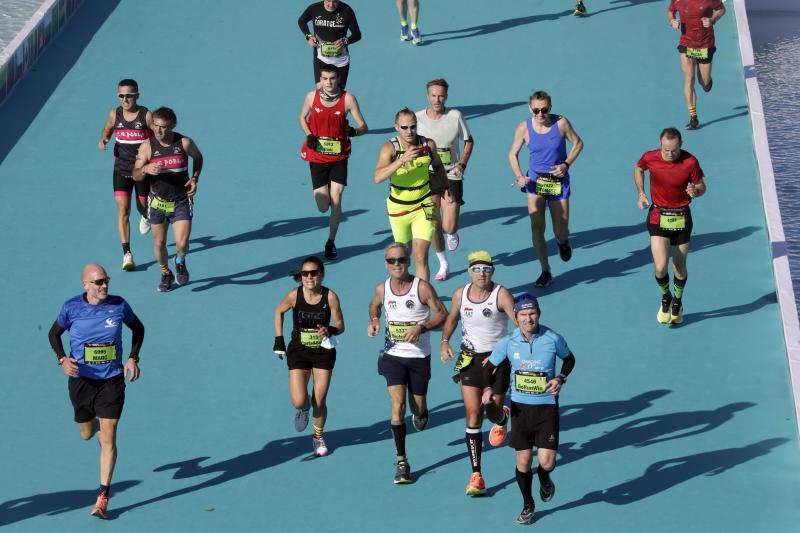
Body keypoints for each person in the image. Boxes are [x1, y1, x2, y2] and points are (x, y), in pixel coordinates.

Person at [47, 263, 144, 519]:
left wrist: (133, 358)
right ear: (85, 285)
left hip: (112, 381)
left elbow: (139, 328)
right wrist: (62, 360)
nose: (104, 285)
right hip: (82, 382)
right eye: (99, 282)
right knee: (88, 434)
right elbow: (54, 334)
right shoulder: (71, 308)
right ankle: (96, 425)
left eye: (106, 280)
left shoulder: (119, 305)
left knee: (110, 435)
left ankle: (102, 497)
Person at [481, 294, 576, 525]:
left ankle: (544, 479)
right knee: (523, 462)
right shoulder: (508, 342)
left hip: (546, 409)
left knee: (547, 463)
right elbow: (489, 367)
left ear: (538, 314)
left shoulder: (552, 338)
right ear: (516, 316)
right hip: (520, 410)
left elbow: (570, 359)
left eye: (532, 313)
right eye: (523, 314)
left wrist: (561, 378)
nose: (528, 318)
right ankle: (528, 505)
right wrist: (487, 389)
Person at [367, 242, 447, 483]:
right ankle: (402, 461)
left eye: (401, 260)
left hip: (419, 358)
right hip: (393, 356)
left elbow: (443, 315)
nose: (397, 264)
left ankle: (422, 412)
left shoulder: (422, 288)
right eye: (391, 261)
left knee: (417, 407)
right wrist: (374, 319)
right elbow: (374, 304)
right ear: (385, 263)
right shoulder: (382, 288)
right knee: (397, 406)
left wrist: (421, 327)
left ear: (408, 262)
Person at [440, 251, 516, 496]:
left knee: (491, 410)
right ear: (469, 271)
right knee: (473, 414)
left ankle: (501, 417)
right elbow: (452, 318)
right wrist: (444, 342)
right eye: (477, 269)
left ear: (492, 271)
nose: (482, 273)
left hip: (497, 360)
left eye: (486, 269)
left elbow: (518, 323)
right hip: (469, 359)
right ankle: (476, 475)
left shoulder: (501, 294)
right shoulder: (460, 294)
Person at [508, 90, 584, 288]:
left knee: (561, 227)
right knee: (537, 227)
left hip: (558, 182)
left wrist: (566, 165)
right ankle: (545, 270)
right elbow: (512, 154)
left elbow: (578, 143)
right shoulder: (524, 128)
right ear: (529, 108)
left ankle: (562, 241)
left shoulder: (561, 123)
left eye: (544, 110)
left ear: (550, 107)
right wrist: (519, 177)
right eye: (536, 110)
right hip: (535, 183)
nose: (540, 114)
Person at [274, 256, 345, 457]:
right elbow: (278, 311)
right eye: (305, 273)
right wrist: (278, 340)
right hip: (299, 350)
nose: (309, 277)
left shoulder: (330, 296)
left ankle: (318, 437)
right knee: (299, 401)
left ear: (321, 274)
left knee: (319, 400)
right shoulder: (294, 296)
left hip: (323, 352)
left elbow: (341, 325)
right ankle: (303, 410)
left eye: (313, 273)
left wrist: (330, 329)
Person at [634, 127, 707, 324]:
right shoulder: (650, 157)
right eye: (666, 150)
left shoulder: (690, 162)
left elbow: (702, 187)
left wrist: (695, 191)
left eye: (673, 150)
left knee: (679, 267)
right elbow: (639, 168)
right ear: (661, 145)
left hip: (682, 218)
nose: (669, 154)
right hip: (658, 216)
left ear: (680, 146)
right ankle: (666, 297)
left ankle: (678, 302)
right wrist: (641, 192)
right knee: (660, 267)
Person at [300, 64, 368, 260]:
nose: (328, 82)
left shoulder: (348, 99)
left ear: (338, 78)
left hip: (339, 156)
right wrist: (309, 135)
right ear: (320, 80)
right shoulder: (311, 97)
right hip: (317, 157)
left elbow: (364, 126)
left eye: (332, 78)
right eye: (325, 79)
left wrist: (354, 131)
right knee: (323, 206)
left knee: (336, 200)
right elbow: (301, 117)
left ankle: (331, 241)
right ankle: (328, 203)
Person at [133, 107, 203, 292]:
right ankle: (166, 273)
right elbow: (135, 174)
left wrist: (195, 178)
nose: (158, 130)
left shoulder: (184, 143)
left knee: (182, 244)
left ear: (172, 126)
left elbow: (198, 157)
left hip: (181, 200)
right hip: (157, 202)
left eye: (163, 127)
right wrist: (145, 170)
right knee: (159, 243)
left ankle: (179, 261)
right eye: (155, 126)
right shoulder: (147, 146)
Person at [374, 108, 448, 281]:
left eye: (413, 127)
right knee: (402, 257)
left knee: (421, 255)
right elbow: (378, 177)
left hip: (424, 204)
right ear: (396, 127)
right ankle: (406, 294)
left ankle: (423, 300)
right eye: (404, 127)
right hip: (399, 208)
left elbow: (437, 166)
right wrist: (401, 160)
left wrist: (445, 187)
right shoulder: (389, 148)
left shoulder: (427, 145)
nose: (409, 131)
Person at [416, 78, 474, 281]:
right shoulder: (417, 119)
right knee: (432, 223)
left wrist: (462, 164)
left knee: (448, 226)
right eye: (433, 95)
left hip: (451, 175)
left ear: (446, 96)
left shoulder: (455, 116)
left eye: (441, 95)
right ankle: (443, 263)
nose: (437, 99)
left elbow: (468, 141)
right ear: (427, 96)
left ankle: (452, 233)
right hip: (427, 176)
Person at [98, 79, 153, 271]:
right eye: (121, 95)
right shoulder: (115, 114)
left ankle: (146, 216)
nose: (125, 99)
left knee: (143, 206)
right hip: (120, 169)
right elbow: (108, 128)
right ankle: (127, 254)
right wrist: (104, 139)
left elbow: (158, 136)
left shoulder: (146, 116)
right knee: (123, 211)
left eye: (129, 95)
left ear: (137, 96)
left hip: (141, 170)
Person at [667, 0, 726, 130]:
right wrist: (672, 21)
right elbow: (670, 11)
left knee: (704, 82)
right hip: (686, 43)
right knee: (689, 78)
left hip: (705, 44)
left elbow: (722, 9)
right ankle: (693, 117)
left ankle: (706, 81)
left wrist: (713, 19)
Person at [298, 0, 362, 89]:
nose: (331, 5)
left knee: (338, 93)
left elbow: (357, 35)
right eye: (328, 1)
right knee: (321, 90)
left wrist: (345, 41)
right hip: (320, 57)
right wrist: (309, 36)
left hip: (341, 61)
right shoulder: (314, 8)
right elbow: (301, 21)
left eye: (335, 1)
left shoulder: (347, 10)